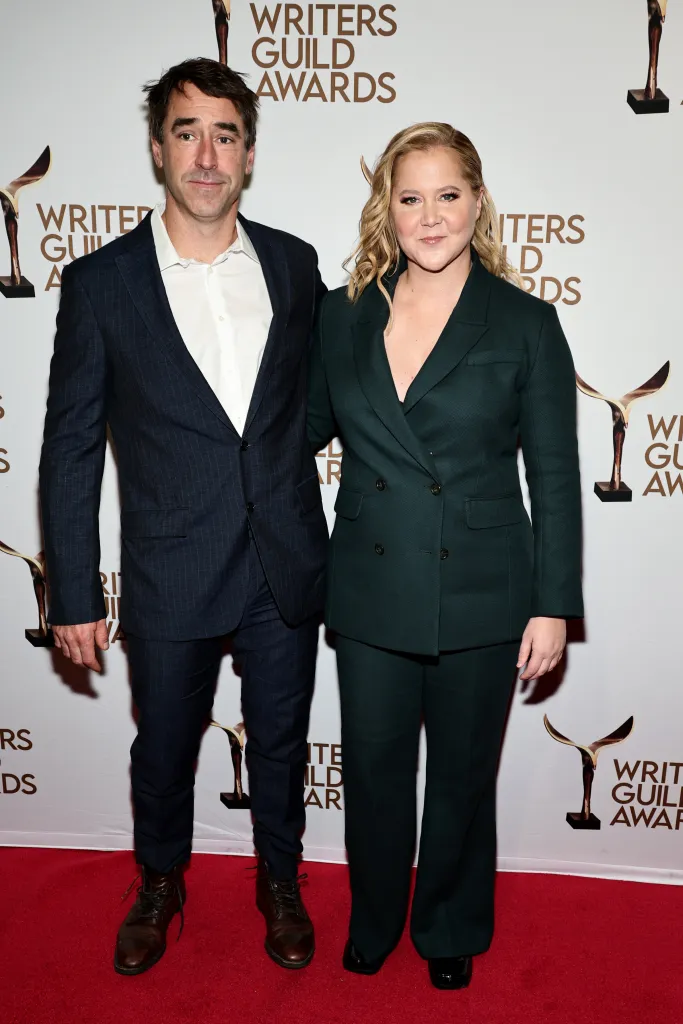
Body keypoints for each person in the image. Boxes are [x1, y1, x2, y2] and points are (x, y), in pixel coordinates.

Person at [39, 58, 327, 976]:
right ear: (158, 148)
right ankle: (160, 880)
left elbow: (317, 403)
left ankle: (280, 880)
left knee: (282, 740)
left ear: (248, 154)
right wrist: (73, 594)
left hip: (283, 560)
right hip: (171, 566)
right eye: (186, 131)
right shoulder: (101, 282)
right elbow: (72, 447)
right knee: (162, 747)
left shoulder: (293, 263)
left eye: (226, 134)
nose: (207, 154)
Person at [308, 123, 583, 990]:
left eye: (447, 194)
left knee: (463, 774)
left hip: (482, 589)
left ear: (477, 200)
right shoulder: (341, 311)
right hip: (371, 584)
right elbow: (295, 434)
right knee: (377, 774)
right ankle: (375, 919)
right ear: (386, 208)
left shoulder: (526, 322)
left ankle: (451, 923)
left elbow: (555, 474)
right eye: (410, 196)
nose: (430, 217)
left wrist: (552, 602)